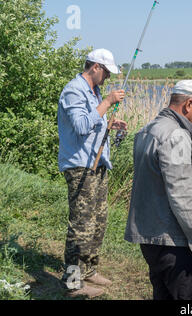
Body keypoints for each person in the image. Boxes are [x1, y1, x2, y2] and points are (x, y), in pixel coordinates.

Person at [125, 80, 192, 300]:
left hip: (150, 238)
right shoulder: (176, 136)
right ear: (188, 105)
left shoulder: (147, 130)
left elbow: (155, 176)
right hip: (172, 242)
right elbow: (182, 197)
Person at [57, 48, 127, 298]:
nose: (108, 76)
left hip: (98, 164)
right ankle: (73, 282)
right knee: (81, 225)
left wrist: (110, 124)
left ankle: (88, 271)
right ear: (95, 67)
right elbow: (80, 126)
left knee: (98, 221)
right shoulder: (74, 90)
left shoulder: (94, 91)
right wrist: (107, 103)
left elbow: (92, 121)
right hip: (80, 166)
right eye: (106, 71)